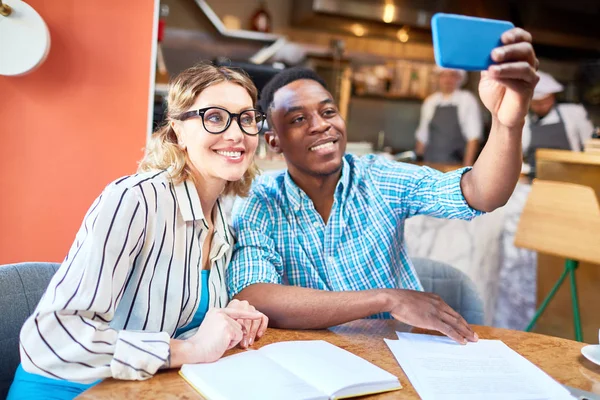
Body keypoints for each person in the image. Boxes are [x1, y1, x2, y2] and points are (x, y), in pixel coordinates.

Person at [227, 28, 539, 344]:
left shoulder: (378, 178)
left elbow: (480, 193)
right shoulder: (261, 198)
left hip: (399, 358)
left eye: (328, 111)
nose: (321, 125)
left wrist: (507, 124)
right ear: (273, 141)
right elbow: (254, 295)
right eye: (298, 120)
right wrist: (386, 299)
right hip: (311, 368)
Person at [8, 63, 269, 400]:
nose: (236, 134)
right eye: (215, 117)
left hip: (143, 390)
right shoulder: (134, 200)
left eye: (246, 119)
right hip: (73, 390)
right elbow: (51, 338)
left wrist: (227, 318)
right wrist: (190, 350)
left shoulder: (222, 220)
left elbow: (179, 320)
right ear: (177, 130)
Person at [523, 70, 594, 169]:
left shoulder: (574, 112)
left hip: (572, 173)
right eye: (537, 103)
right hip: (534, 177)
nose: (541, 106)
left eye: (545, 101)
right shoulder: (524, 119)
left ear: (552, 97)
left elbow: (590, 144)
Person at [415, 67, 482, 166]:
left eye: (452, 75)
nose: (447, 80)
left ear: (460, 78)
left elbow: (473, 138)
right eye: (443, 75)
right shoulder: (430, 102)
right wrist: (418, 164)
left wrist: (466, 168)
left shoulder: (467, 100)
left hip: (455, 167)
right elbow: (422, 136)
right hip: (429, 164)